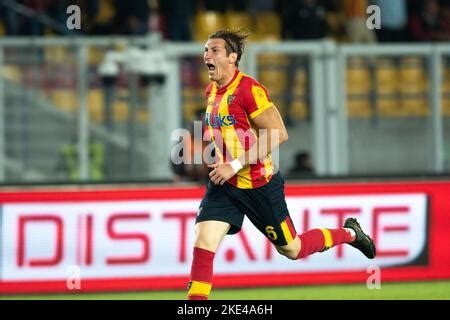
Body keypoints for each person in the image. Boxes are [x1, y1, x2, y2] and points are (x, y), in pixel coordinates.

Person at [186, 29, 376, 300]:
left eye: (214, 50)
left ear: (232, 57)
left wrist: (235, 163)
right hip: (224, 183)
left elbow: (278, 133)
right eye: (205, 49)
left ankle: (350, 233)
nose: (207, 54)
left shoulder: (249, 90)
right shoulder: (211, 92)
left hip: (259, 184)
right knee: (203, 244)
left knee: (292, 249)